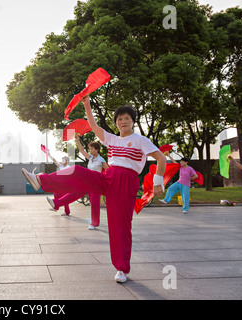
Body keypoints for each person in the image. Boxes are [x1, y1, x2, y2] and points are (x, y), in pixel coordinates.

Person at [22, 96, 166, 283]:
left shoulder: (140, 140)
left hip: (126, 181)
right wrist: (87, 104)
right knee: (77, 171)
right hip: (108, 177)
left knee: (120, 226)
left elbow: (161, 158)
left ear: (133, 122)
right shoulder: (112, 139)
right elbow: (94, 125)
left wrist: (158, 182)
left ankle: (122, 268)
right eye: (119, 119)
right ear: (116, 122)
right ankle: (41, 181)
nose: (123, 122)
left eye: (127, 118)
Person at [48, 134, 110, 229]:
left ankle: (94, 223)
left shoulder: (101, 160)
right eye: (90, 149)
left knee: (94, 204)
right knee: (74, 192)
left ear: (97, 150)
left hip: (96, 184)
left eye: (92, 149)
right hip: (87, 182)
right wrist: (77, 140)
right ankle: (56, 203)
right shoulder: (90, 158)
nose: (90, 151)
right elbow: (81, 150)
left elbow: (108, 171)